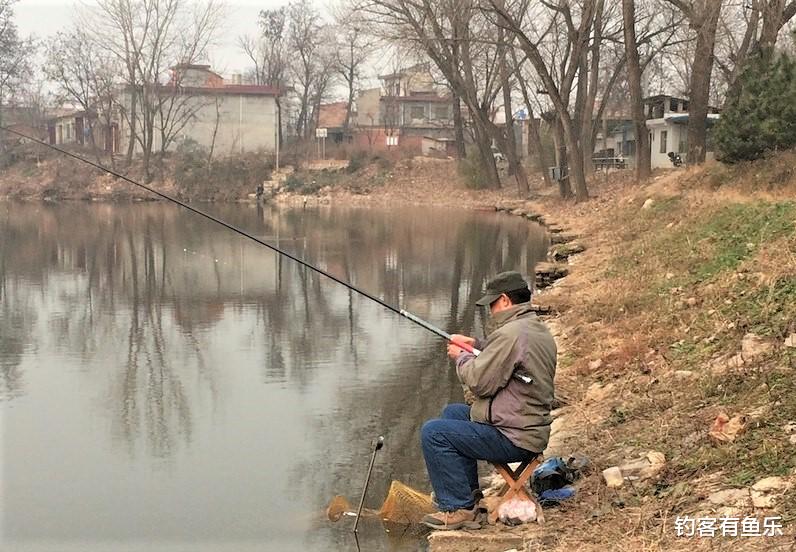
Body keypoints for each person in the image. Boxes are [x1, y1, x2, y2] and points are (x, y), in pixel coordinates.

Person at [420, 271, 557, 530]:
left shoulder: (511, 333)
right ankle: (470, 498)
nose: (491, 310)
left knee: (434, 433)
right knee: (453, 413)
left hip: (515, 436)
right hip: (526, 427)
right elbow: (510, 361)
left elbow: (480, 383)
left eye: (492, 303)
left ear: (505, 300)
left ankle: (457, 508)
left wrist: (462, 357)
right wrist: (478, 345)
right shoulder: (531, 328)